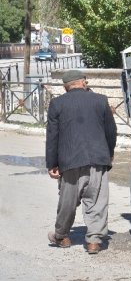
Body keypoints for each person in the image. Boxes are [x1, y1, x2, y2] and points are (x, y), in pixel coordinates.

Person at [46, 69, 117, 254]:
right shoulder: (100, 100)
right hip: (98, 158)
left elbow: (53, 136)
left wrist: (52, 164)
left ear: (65, 87)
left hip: (69, 160)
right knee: (97, 201)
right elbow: (111, 131)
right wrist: (108, 154)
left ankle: (62, 236)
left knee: (67, 201)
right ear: (83, 82)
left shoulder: (57, 104)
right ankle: (94, 241)